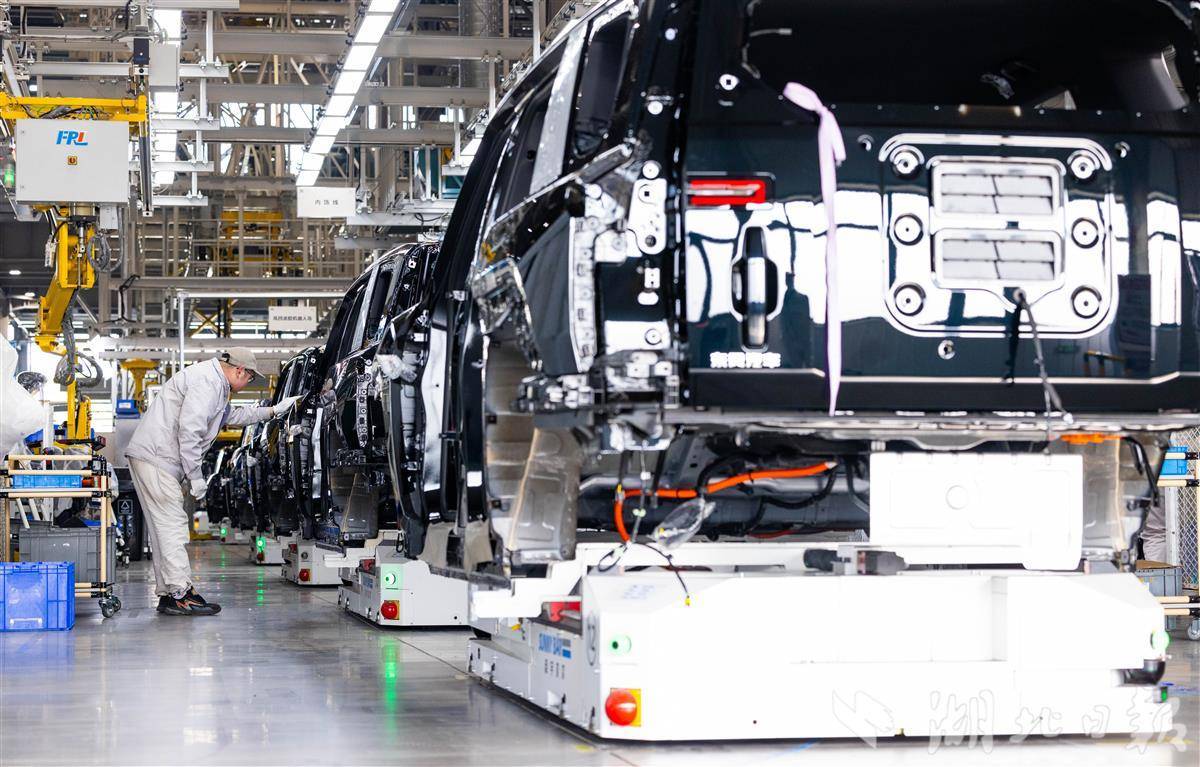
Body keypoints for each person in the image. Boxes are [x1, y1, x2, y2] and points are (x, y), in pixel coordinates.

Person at [124, 348, 302, 615]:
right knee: (172, 528)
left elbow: (233, 416)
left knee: (163, 531)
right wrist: (195, 476)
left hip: (153, 458)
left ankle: (170, 593)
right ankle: (181, 594)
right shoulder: (207, 383)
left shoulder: (214, 383)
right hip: (158, 459)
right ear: (239, 370)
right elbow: (190, 431)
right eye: (250, 378)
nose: (248, 383)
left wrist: (273, 411)